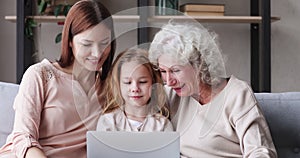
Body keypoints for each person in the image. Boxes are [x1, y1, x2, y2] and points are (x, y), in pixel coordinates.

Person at [0, 0, 116, 157]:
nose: (97, 53)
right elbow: (23, 138)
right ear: (69, 42)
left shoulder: (111, 85)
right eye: (87, 44)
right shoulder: (40, 75)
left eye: (104, 43)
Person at [148, 22, 277, 157]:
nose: (169, 81)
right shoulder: (171, 94)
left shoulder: (237, 95)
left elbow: (260, 151)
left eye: (175, 70)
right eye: (163, 71)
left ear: (199, 64)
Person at [96, 48, 173, 132]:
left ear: (153, 84)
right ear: (118, 85)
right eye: (128, 82)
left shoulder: (163, 124)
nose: (135, 89)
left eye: (142, 82)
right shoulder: (108, 122)